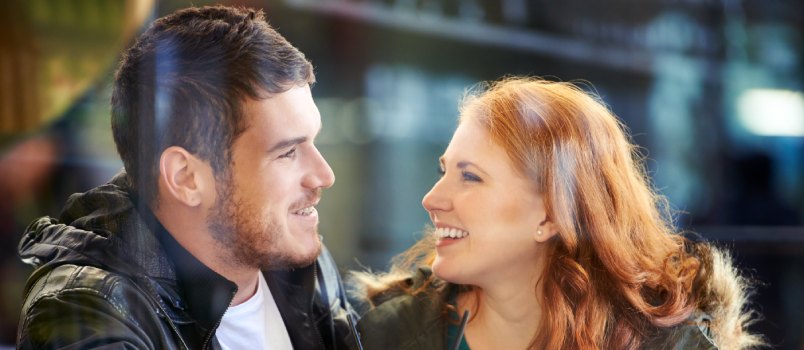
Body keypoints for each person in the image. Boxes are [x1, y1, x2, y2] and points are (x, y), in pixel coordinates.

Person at [17, 5, 357, 349]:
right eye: (287, 152)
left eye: (313, 141)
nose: (324, 175)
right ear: (186, 178)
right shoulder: (87, 314)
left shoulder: (297, 263)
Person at [351, 77, 765, 349]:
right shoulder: (388, 335)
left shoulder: (668, 343)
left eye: (470, 177)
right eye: (443, 172)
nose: (432, 199)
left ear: (552, 215)